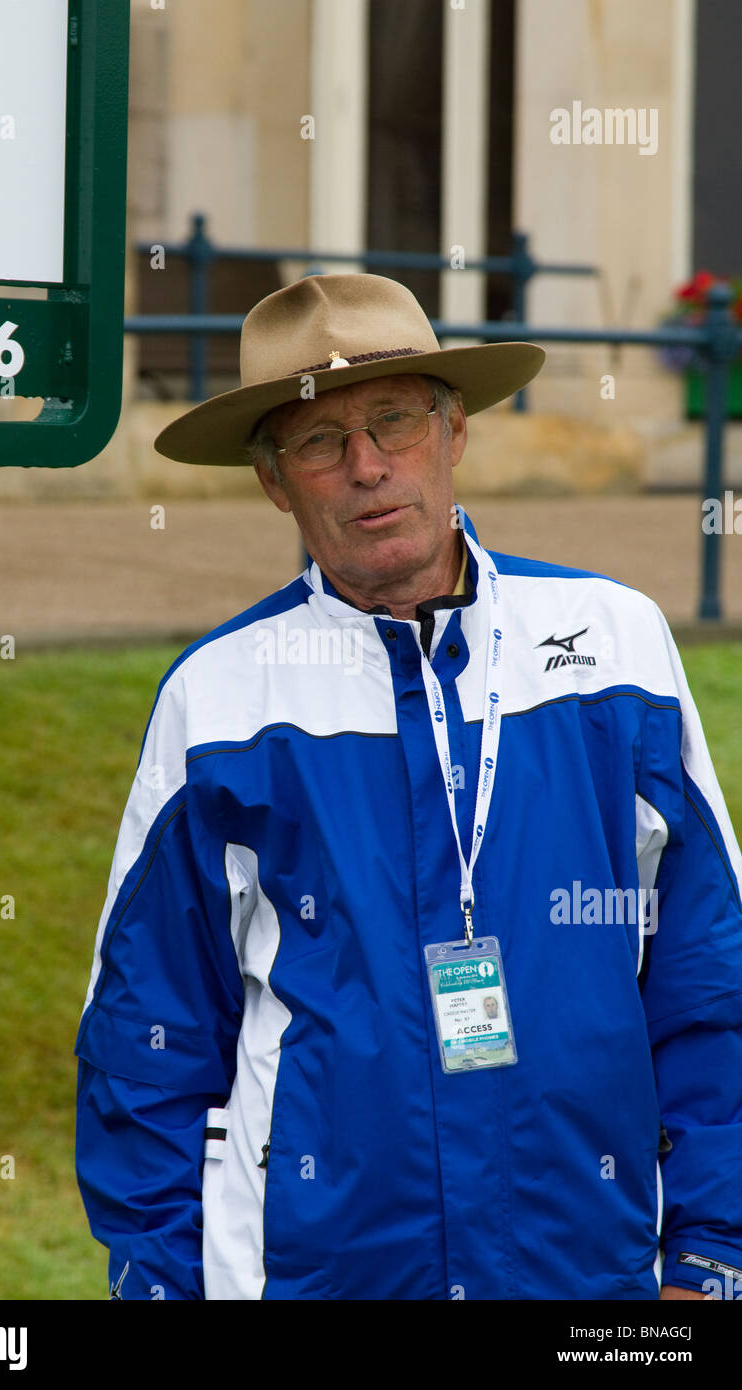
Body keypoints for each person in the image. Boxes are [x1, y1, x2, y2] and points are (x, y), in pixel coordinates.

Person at [74, 272, 742, 1301]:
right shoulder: (217, 702)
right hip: (316, 1276)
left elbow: (707, 981)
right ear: (273, 480)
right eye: (317, 442)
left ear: (453, 430)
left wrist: (709, 1254)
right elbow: (144, 1040)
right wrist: (159, 1283)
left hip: (589, 1279)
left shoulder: (617, 647)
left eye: (394, 420)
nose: (367, 467)